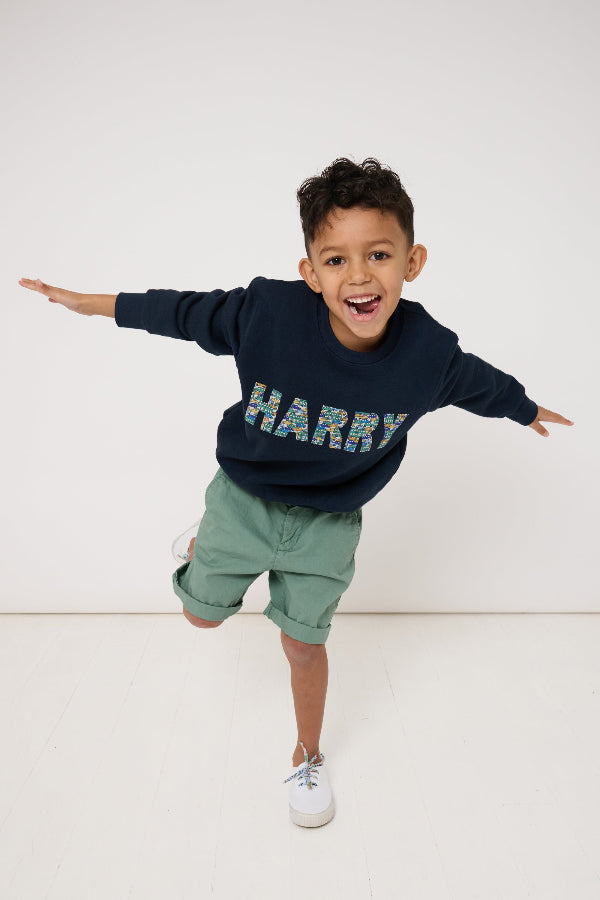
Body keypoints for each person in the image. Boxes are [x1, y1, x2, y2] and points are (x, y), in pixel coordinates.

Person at [18, 156, 574, 829]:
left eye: (378, 254)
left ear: (413, 261)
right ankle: (205, 543)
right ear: (311, 273)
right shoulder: (268, 313)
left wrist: (526, 409)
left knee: (303, 645)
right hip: (243, 499)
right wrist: (90, 303)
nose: (359, 275)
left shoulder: (429, 356)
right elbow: (181, 311)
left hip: (328, 525)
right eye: (336, 260)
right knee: (201, 619)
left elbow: (481, 383)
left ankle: (307, 755)